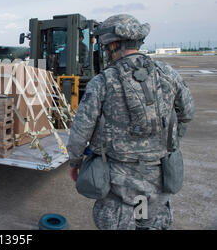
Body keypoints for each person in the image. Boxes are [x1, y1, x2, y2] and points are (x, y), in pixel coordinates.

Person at [67, 14, 195, 230]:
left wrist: (74, 162)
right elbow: (187, 112)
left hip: (118, 181)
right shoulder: (168, 74)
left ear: (114, 45)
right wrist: (170, 144)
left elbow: (81, 131)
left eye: (106, 47)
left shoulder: (103, 82)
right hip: (157, 175)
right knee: (147, 221)